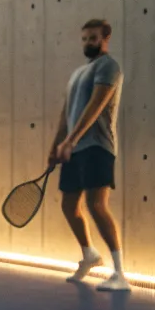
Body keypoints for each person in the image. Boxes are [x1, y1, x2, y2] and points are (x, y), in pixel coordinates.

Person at [51, 18, 126, 291]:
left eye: (93, 38)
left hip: (97, 147)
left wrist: (70, 140)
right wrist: (55, 146)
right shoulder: (76, 74)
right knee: (69, 206)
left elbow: (96, 105)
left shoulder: (109, 66)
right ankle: (89, 255)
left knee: (97, 205)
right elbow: (66, 113)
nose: (87, 43)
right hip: (73, 149)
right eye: (84, 39)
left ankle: (119, 274)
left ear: (105, 38)